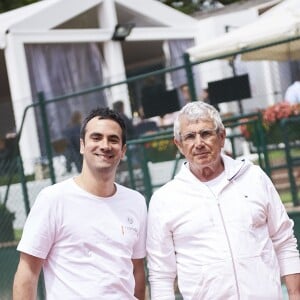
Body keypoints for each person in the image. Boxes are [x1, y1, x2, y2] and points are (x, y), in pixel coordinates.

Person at [146, 101, 300, 300]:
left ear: (221, 137)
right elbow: (161, 275)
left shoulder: (254, 177)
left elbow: (284, 240)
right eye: (190, 136)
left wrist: (295, 294)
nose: (199, 143)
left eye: (206, 133)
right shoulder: (164, 200)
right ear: (179, 144)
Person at [13, 107, 147, 300]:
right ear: (82, 145)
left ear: (123, 151)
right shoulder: (53, 199)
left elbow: (137, 270)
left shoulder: (136, 201)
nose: (105, 145)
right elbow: (27, 273)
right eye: (96, 137)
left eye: (113, 139)